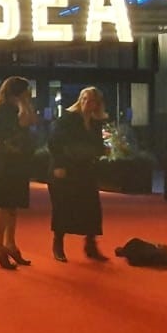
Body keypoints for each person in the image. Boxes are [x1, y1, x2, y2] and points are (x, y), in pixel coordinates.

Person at [47, 86, 109, 262]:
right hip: (65, 169)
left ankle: (91, 245)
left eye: (91, 100)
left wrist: (102, 150)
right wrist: (59, 165)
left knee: (92, 208)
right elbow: (54, 142)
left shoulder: (95, 122)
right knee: (63, 207)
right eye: (84, 99)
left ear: (97, 104)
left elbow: (96, 144)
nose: (87, 103)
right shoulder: (67, 119)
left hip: (85, 169)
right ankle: (58, 244)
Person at [0, 76, 37, 269]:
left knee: (13, 205)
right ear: (18, 92)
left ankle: (10, 244)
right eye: (26, 90)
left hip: (19, 160)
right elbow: (24, 123)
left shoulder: (18, 106)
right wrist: (23, 104)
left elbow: (32, 120)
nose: (29, 93)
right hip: (7, 160)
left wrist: (25, 105)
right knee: (4, 203)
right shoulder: (3, 110)